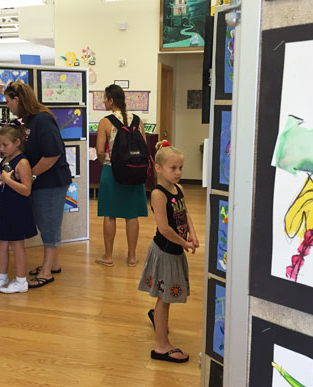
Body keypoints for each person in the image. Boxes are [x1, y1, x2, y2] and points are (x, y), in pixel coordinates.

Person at [3, 81, 72, 288]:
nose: (8, 106)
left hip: (51, 182)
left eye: (8, 101)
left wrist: (30, 176)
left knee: (49, 224)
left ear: (17, 99)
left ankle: (46, 272)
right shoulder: (28, 121)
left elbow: (53, 153)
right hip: (41, 181)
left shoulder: (42, 119)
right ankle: (53, 264)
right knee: (44, 222)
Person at [138, 141, 200, 363]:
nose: (178, 173)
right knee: (164, 299)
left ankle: (159, 319)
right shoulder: (158, 194)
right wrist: (184, 244)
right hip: (165, 251)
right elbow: (164, 228)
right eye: (173, 168)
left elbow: (185, 213)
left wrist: (191, 234)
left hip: (176, 249)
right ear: (158, 168)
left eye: (181, 168)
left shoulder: (179, 189)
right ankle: (162, 347)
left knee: (167, 298)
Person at [95, 84, 148, 267]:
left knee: (110, 214)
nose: (103, 101)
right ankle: (132, 257)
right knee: (131, 215)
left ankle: (108, 257)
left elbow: (100, 151)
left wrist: (107, 162)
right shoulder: (137, 120)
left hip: (112, 171)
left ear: (111, 100)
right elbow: (144, 147)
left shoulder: (105, 122)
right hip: (134, 170)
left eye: (104, 98)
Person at [0, 124, 37, 294]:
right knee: (1, 243)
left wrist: (8, 180)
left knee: (16, 243)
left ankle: (21, 281)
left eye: (5, 145)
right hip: (5, 207)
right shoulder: (6, 159)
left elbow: (27, 189)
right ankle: (2, 278)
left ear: (17, 142)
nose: (1, 148)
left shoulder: (22, 162)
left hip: (18, 209)